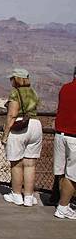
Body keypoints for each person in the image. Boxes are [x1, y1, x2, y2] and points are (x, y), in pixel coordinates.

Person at [1, 68, 42, 207]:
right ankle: (29, 197)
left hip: (20, 127)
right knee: (30, 164)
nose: (10, 81)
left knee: (16, 164)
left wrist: (5, 134)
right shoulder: (33, 92)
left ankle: (17, 195)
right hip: (35, 125)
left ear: (17, 79)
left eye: (12, 78)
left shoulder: (15, 93)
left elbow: (12, 115)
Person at [53, 66, 76, 219]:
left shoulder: (64, 88)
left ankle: (61, 201)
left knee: (62, 172)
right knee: (73, 176)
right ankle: (63, 207)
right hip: (74, 137)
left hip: (60, 135)